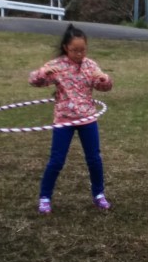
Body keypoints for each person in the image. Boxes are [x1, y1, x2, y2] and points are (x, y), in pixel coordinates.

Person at [29, 23, 113, 214]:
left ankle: (99, 195)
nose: (79, 54)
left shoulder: (91, 65)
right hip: (64, 119)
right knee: (57, 161)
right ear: (66, 47)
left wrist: (104, 79)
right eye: (75, 50)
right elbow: (34, 81)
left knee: (94, 159)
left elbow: (105, 87)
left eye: (83, 50)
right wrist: (42, 74)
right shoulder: (56, 65)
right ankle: (45, 197)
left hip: (88, 118)